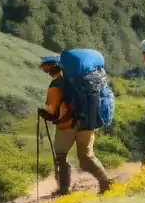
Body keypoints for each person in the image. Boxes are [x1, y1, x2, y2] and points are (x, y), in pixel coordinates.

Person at [38, 55, 111, 194]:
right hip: (87, 123)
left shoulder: (56, 84)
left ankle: (64, 190)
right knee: (87, 157)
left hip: (67, 124)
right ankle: (105, 183)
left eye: (45, 67)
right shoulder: (79, 81)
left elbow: (52, 110)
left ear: (51, 67)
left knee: (60, 156)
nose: (43, 69)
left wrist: (44, 113)